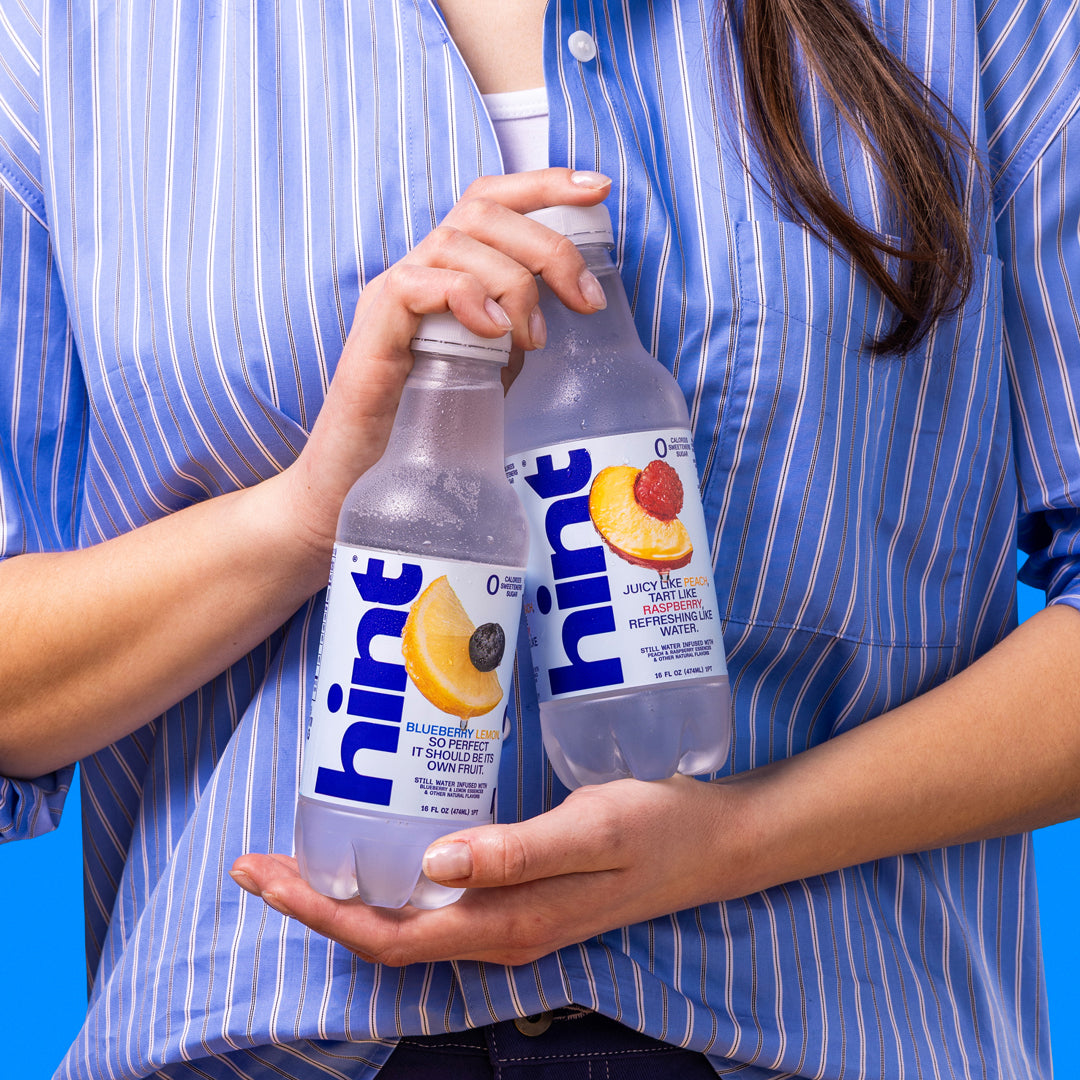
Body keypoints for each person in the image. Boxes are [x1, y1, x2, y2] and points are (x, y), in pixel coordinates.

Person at [1, 0, 1079, 1077]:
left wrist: (740, 837)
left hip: (823, 1023)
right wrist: (308, 513)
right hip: (271, 1039)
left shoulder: (974, 20)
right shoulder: (69, 34)